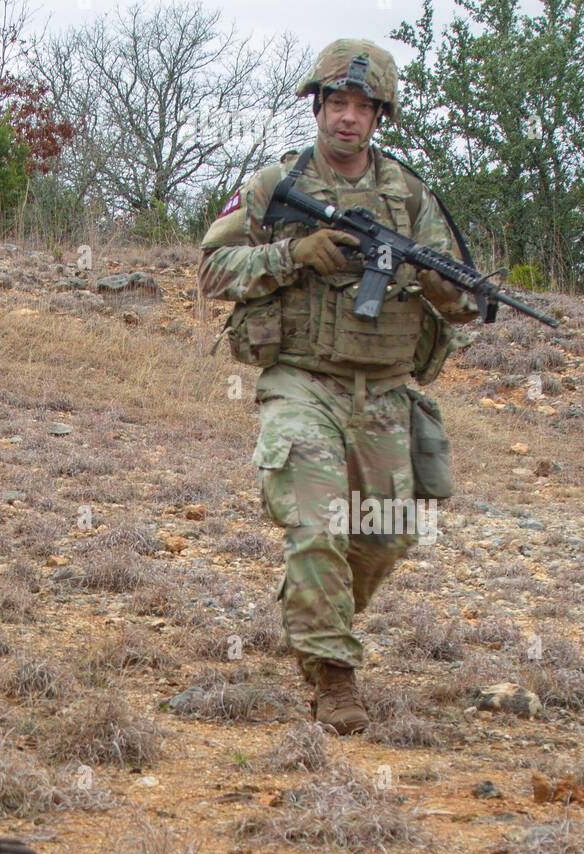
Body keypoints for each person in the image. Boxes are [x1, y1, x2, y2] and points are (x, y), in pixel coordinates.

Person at [199, 40, 479, 733]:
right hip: (302, 381)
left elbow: (465, 300)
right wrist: (294, 254)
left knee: (384, 535)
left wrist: (442, 285)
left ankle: (310, 607)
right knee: (317, 524)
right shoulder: (274, 184)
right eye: (338, 104)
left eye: (363, 107)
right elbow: (211, 270)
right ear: (318, 107)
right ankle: (333, 677)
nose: (349, 118)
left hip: (385, 390)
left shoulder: (409, 195)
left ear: (378, 117)